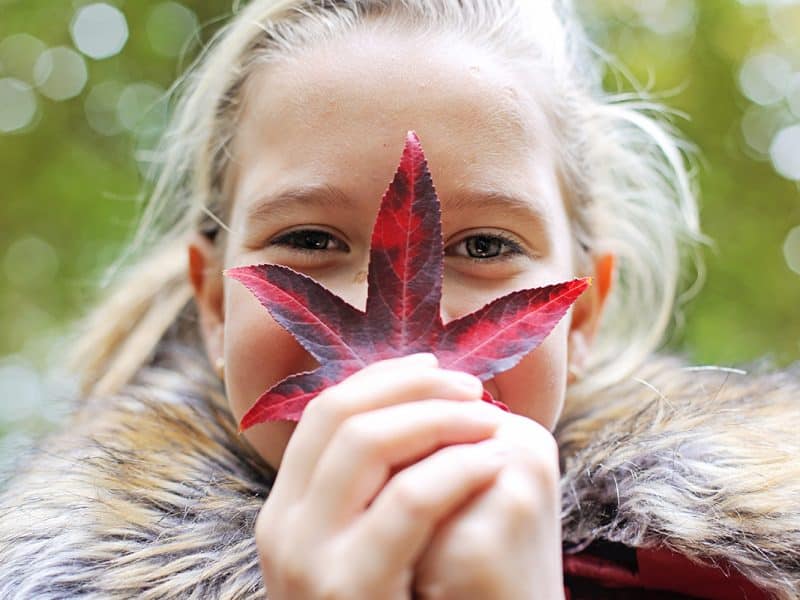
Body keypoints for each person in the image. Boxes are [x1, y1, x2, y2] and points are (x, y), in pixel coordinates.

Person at [1, 0, 798, 597]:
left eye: (485, 247)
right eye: (309, 241)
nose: (403, 346)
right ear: (214, 306)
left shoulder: (727, 576)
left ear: (580, 317)